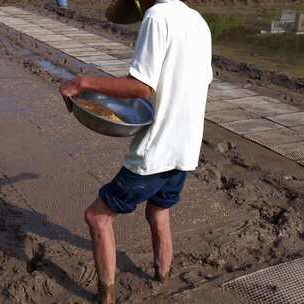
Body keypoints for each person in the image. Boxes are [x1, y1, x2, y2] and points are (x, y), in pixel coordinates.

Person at [60, 0, 212, 303]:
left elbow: (141, 87)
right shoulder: (197, 21)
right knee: (159, 210)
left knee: (97, 217)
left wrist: (83, 82)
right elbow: (199, 79)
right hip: (187, 147)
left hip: (157, 150)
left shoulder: (156, 18)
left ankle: (106, 297)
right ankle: (162, 278)